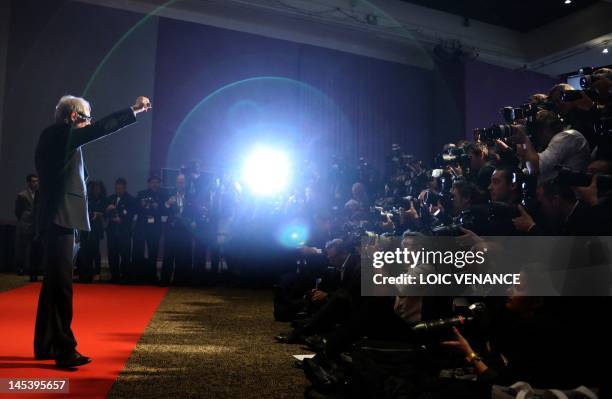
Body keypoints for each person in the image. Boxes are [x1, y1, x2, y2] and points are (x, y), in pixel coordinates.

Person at [33, 94, 151, 368]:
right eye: (86, 119)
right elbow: (101, 129)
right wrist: (133, 110)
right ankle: (64, 350)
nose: (90, 124)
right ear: (74, 117)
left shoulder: (61, 138)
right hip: (58, 220)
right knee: (61, 288)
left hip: (63, 220)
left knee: (53, 287)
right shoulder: (60, 134)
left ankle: (45, 345)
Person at [133, 175, 167, 283]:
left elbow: (165, 211)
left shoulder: (163, 195)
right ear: (149, 183)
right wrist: (143, 206)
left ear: (159, 184)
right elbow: (136, 209)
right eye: (153, 182)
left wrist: (158, 206)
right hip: (141, 227)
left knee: (153, 252)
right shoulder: (141, 194)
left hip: (155, 227)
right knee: (139, 251)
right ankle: (138, 276)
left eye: (157, 182)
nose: (155, 184)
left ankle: (152, 277)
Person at [105, 178, 135, 283]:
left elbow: (130, 214)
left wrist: (120, 218)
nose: (118, 190)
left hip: (124, 232)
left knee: (125, 255)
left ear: (125, 188)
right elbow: (105, 214)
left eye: (120, 188)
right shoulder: (110, 198)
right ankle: (115, 277)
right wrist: (108, 210)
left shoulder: (130, 199)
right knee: (112, 255)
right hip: (112, 232)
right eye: (116, 188)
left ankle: (125, 277)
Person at [15, 174, 39, 280]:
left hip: (36, 225)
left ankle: (33, 270)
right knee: (22, 248)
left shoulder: (40, 194)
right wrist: (23, 219)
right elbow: (18, 211)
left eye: (36, 181)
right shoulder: (22, 195)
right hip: (25, 224)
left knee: (35, 249)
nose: (35, 183)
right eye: (33, 181)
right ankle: (20, 268)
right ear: (28, 182)